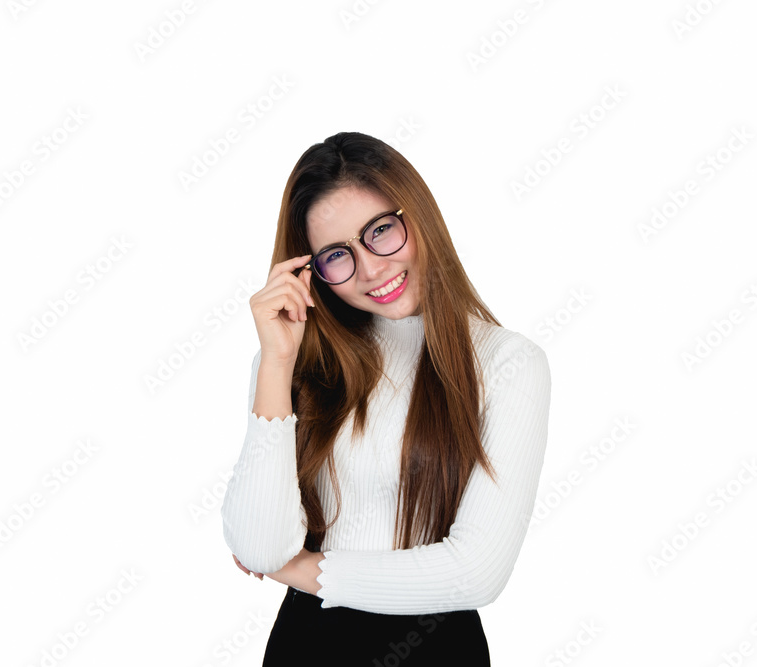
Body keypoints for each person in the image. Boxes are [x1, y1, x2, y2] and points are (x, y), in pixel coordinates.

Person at [220, 131, 552, 666]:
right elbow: (258, 546)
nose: (371, 269)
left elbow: (476, 572)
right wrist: (278, 362)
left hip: (436, 649)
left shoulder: (507, 364)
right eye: (337, 255)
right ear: (313, 274)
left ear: (417, 215)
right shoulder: (293, 363)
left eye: (380, 231)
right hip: (305, 647)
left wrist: (303, 569)